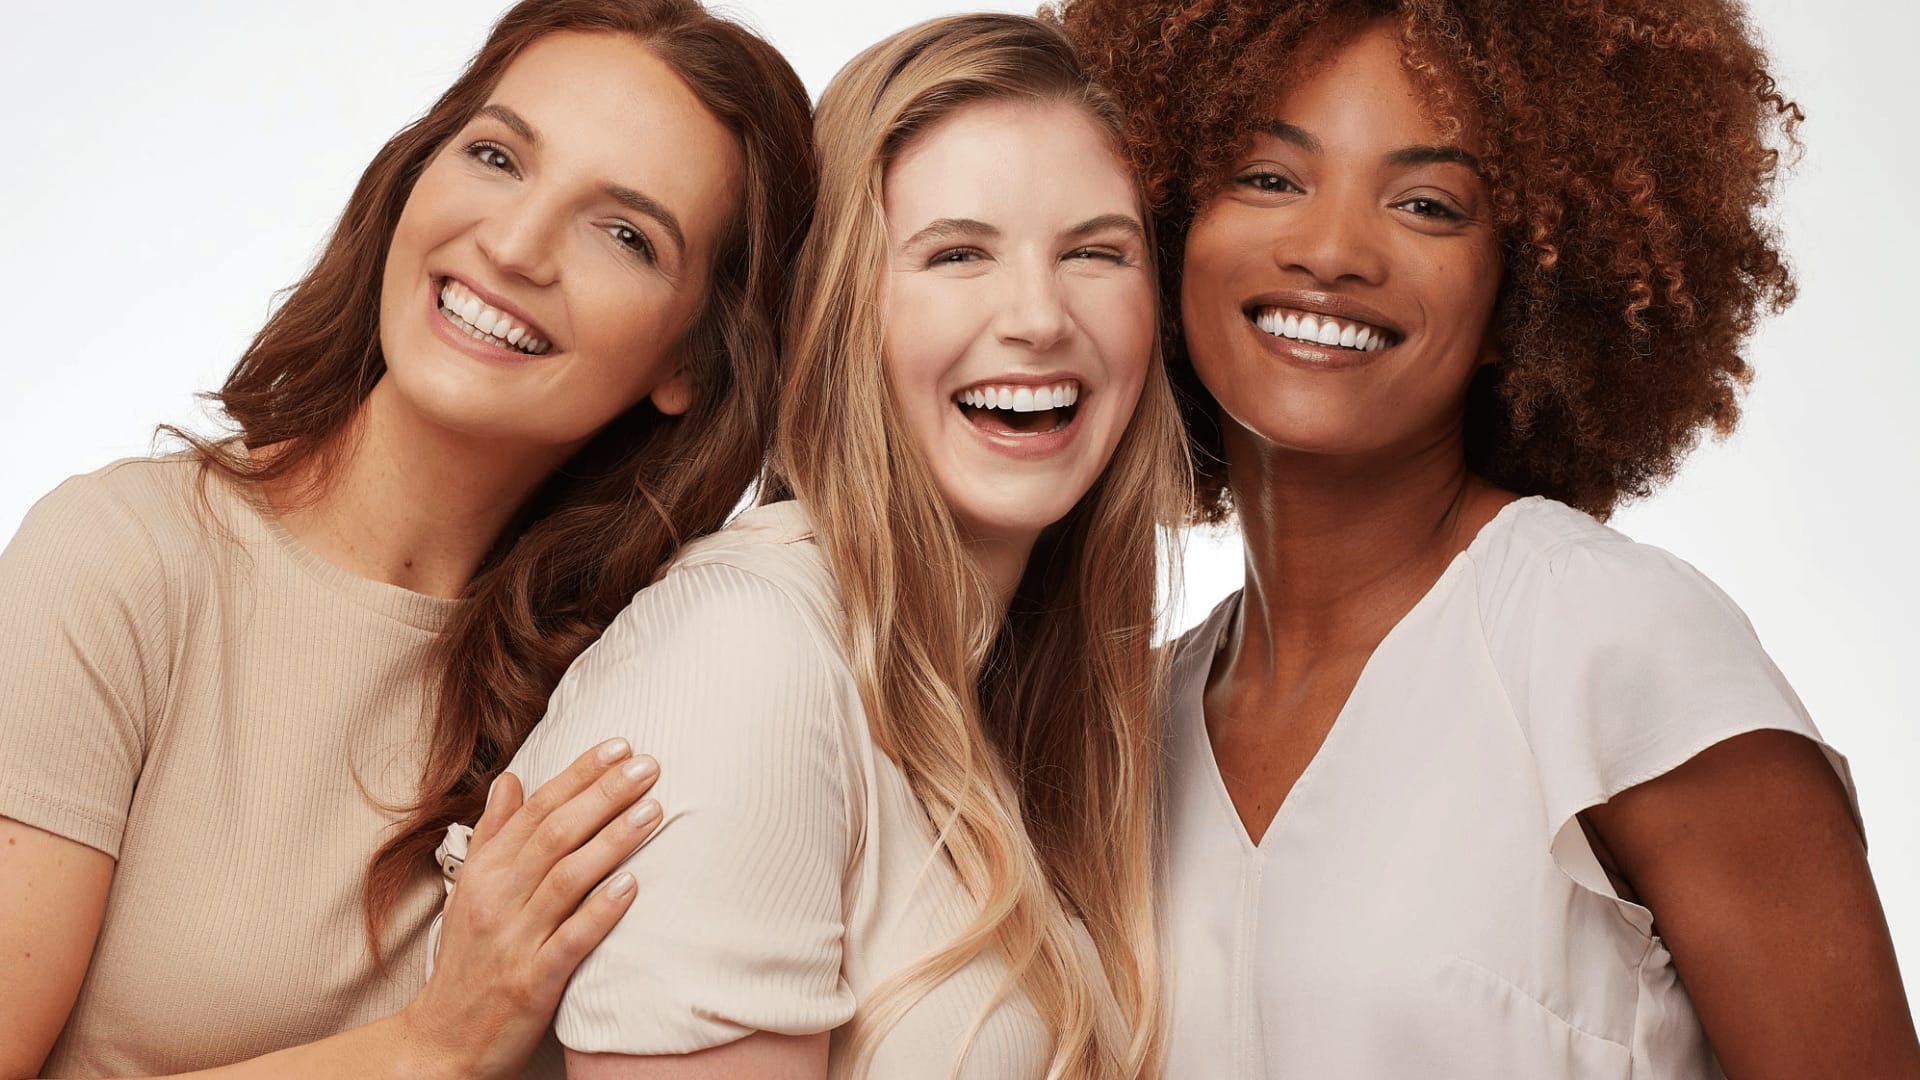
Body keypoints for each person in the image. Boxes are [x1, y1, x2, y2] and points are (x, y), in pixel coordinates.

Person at [1053, 0, 1920, 1076]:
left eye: (1427, 204)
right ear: (1167, 230)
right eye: (1269, 178)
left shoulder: (1612, 645)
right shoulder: (1124, 730)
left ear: (1527, 291)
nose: (1330, 250)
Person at [0, 1, 815, 1076]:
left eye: (624, 234)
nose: (514, 246)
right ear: (415, 177)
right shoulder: (120, 562)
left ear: (693, 362)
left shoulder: (652, 682)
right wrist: (433, 1044)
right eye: (497, 156)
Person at [485, 14, 1186, 1078]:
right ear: (839, 308)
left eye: (1094, 252)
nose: (1040, 317)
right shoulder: (747, 649)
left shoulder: (1012, 693)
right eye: (957, 253)